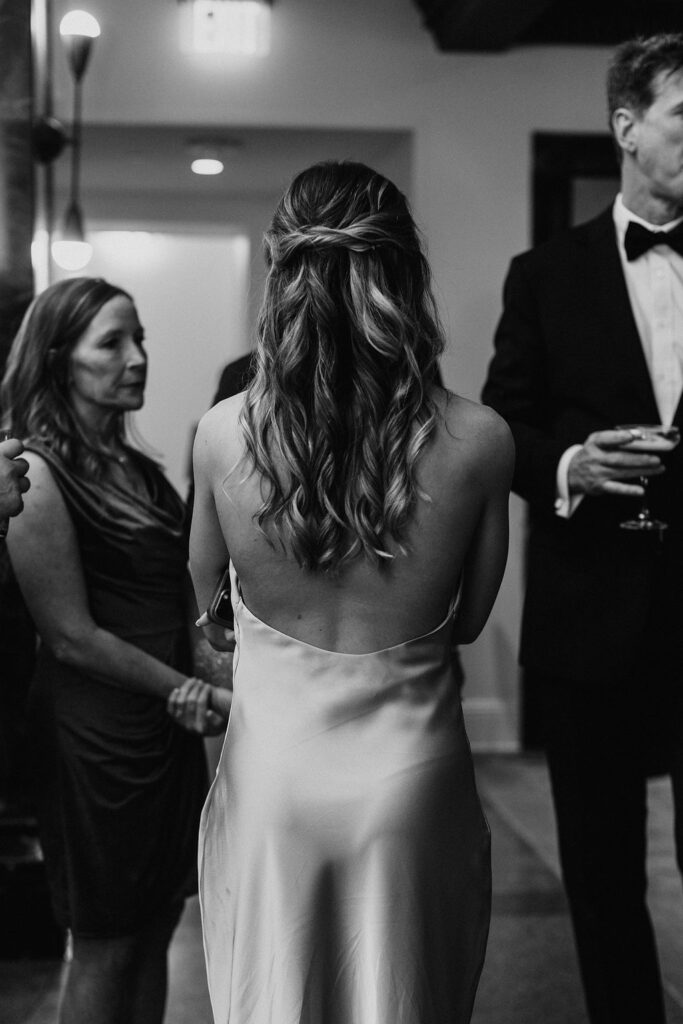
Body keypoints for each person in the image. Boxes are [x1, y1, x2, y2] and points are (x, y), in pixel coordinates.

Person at [187, 160, 512, 1024]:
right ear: (407, 272)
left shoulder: (220, 436)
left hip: (273, 783)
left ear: (276, 267)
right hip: (413, 784)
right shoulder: (479, 438)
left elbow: (211, 611)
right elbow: (469, 620)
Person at [482, 33, 683, 1024]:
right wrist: (569, 465)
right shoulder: (542, 275)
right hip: (586, 620)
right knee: (600, 880)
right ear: (626, 128)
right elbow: (498, 428)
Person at [1, 276, 228, 1024]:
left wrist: (216, 668)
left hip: (162, 727)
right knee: (105, 943)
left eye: (141, 341)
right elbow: (70, 635)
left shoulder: (138, 470)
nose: (136, 359)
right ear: (60, 358)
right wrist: (180, 688)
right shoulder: (33, 476)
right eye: (113, 342)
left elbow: (178, 599)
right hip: (95, 736)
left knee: (157, 928)